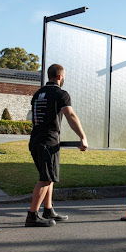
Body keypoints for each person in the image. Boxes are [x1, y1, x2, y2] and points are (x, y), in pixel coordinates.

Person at [27, 63, 88, 227]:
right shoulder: (61, 94)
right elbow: (71, 116)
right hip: (48, 141)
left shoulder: (38, 93)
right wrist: (83, 137)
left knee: (49, 177)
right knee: (46, 179)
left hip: (36, 140)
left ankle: (48, 210)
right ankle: (32, 215)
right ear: (60, 76)